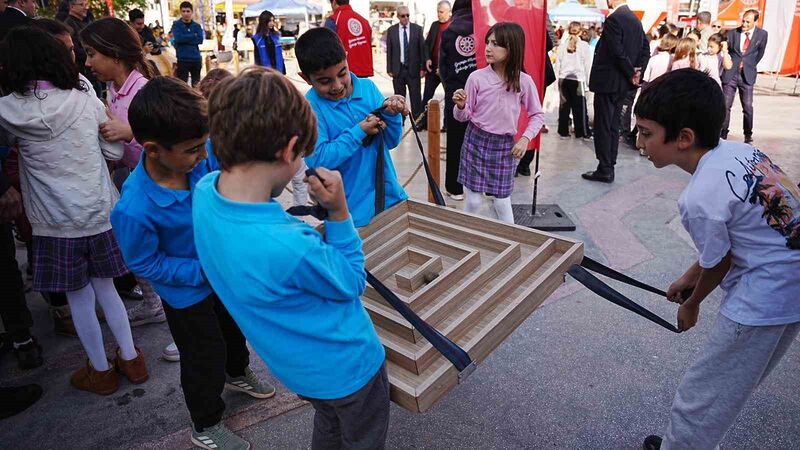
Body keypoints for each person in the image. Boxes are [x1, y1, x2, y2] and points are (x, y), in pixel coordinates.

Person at [193, 66, 390, 450]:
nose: (303, 165)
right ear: (288, 150)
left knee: (330, 423)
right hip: (349, 368)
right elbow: (352, 281)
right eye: (301, 156)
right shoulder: (288, 244)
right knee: (359, 436)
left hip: (297, 369)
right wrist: (339, 214)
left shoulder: (204, 192)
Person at [635, 68, 800, 450]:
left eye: (646, 132)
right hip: (789, 287)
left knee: (702, 397)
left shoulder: (697, 199)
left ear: (683, 138)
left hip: (763, 298)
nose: (639, 141)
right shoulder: (742, 152)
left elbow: (722, 260)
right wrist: (688, 277)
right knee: (730, 387)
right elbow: (728, 246)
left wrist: (692, 304)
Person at [113, 76, 275, 450]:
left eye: (204, 145)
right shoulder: (135, 207)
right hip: (186, 292)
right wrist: (197, 271)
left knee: (233, 331)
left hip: (222, 275)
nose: (204, 155)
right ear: (152, 149)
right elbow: (144, 262)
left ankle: (237, 372)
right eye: (194, 149)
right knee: (202, 355)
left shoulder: (199, 160)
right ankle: (206, 421)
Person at [0, 27, 147, 395]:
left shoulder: (8, 111)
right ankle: (132, 359)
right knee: (107, 289)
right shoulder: (84, 95)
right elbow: (113, 152)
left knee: (79, 297)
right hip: (97, 210)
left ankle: (100, 371)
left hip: (55, 221)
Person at [80, 18, 167, 328]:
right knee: (135, 246)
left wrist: (129, 131)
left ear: (114, 54)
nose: (88, 62)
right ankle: (153, 302)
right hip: (134, 181)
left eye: (92, 54)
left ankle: (173, 313)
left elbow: (169, 138)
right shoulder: (114, 89)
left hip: (157, 186)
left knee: (159, 251)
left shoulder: (143, 89)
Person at [296, 27, 407, 227]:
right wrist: (359, 132)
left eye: (342, 73)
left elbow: (391, 141)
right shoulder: (310, 109)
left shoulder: (368, 88)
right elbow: (319, 159)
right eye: (325, 81)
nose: (337, 86)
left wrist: (392, 115)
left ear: (347, 59)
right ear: (305, 78)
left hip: (390, 199)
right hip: (349, 214)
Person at [452, 22, 544, 223]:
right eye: (487, 42)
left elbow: (537, 115)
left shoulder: (524, 81)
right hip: (475, 141)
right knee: (474, 201)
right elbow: (463, 116)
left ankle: (509, 245)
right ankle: (463, 239)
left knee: (502, 203)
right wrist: (460, 106)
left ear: (511, 47)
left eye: (495, 44)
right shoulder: (476, 78)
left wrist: (525, 139)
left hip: (504, 146)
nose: (488, 48)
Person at [584, 0, 649, 183]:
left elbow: (616, 51)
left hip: (608, 82)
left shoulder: (615, 19)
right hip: (622, 84)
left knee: (604, 125)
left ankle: (605, 168)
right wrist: (636, 71)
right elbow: (646, 48)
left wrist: (631, 72)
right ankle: (608, 164)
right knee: (613, 125)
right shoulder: (635, 20)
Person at [439, 0, 477, 201]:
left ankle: (454, 188)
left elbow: (442, 68)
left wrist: (452, 89)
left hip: (456, 94)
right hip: (483, 94)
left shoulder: (448, 32)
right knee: (483, 141)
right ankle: (483, 186)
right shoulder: (484, 27)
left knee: (455, 142)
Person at [720, 9, 768, 144]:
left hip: (747, 75)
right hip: (731, 74)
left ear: (755, 21)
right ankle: (723, 133)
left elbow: (760, 52)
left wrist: (749, 64)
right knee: (725, 105)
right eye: (743, 21)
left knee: (747, 106)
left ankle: (748, 134)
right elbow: (728, 52)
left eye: (748, 22)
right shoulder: (732, 33)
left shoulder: (762, 35)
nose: (744, 24)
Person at [386, 6, 426, 122]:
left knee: (416, 97)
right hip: (398, 69)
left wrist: (423, 68)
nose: (406, 18)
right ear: (398, 17)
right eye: (403, 16)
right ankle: (400, 120)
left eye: (408, 15)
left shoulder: (417, 29)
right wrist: (389, 68)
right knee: (399, 97)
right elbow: (390, 50)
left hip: (413, 69)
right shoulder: (392, 30)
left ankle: (417, 120)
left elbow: (422, 49)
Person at [555, 21, 592, 140]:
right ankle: (582, 132)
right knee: (580, 108)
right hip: (578, 79)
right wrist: (589, 82)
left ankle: (563, 131)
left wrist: (556, 81)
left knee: (564, 107)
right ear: (580, 31)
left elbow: (558, 64)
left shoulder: (562, 45)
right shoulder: (584, 46)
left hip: (563, 79)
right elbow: (587, 65)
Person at [419, 1, 452, 130]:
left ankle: (447, 125)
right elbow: (427, 45)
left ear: (449, 12)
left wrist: (443, 66)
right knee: (427, 96)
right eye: (438, 11)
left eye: (441, 12)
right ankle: (422, 122)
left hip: (447, 70)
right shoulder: (434, 25)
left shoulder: (454, 26)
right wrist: (427, 59)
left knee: (449, 97)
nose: (439, 14)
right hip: (433, 69)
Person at [325, 0, 374, 78]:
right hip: (363, 70)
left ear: (334, 2)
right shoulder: (363, 20)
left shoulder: (334, 20)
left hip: (344, 73)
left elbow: (326, 48)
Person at [171, 2, 204, 86]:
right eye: (183, 11)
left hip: (196, 59)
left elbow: (200, 40)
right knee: (182, 86)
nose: (186, 13)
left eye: (188, 11)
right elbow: (178, 38)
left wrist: (184, 38)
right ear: (180, 12)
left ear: (191, 12)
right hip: (183, 59)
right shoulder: (176, 25)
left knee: (196, 85)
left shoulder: (197, 26)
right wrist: (193, 35)